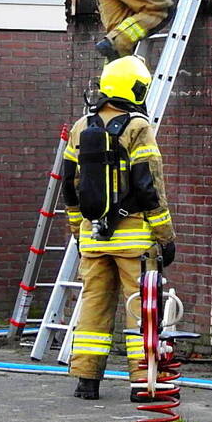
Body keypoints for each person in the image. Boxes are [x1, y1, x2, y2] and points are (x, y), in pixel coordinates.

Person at [60, 55, 177, 402]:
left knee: (93, 306)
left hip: (92, 237)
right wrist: (165, 235)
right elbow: (149, 184)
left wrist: (77, 230)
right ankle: (144, 383)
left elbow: (70, 185)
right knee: (141, 309)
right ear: (135, 89)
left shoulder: (81, 126)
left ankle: (86, 380)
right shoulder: (138, 127)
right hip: (133, 240)